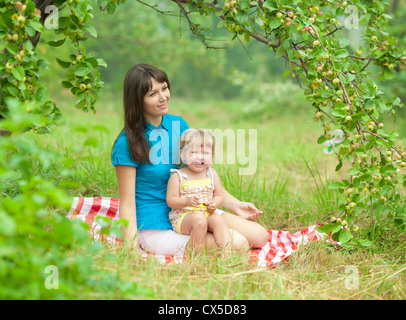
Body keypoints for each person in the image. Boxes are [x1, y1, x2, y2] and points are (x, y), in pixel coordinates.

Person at [111, 63, 268, 257]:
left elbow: (197, 176)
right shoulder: (127, 142)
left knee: (260, 236)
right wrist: (131, 249)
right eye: (153, 94)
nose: (163, 97)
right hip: (156, 226)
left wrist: (235, 205)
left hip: (194, 211)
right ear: (137, 100)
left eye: (165, 88)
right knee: (239, 244)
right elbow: (126, 203)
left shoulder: (178, 124)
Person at [166, 128, 232, 255]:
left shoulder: (211, 174)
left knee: (219, 220)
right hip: (184, 217)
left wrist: (215, 203)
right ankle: (195, 255)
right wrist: (186, 201)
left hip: (206, 212)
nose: (200, 157)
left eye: (205, 153)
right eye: (193, 152)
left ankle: (227, 254)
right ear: (183, 155)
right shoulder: (178, 176)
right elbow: (171, 200)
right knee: (199, 221)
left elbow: (219, 195)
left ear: (211, 156)